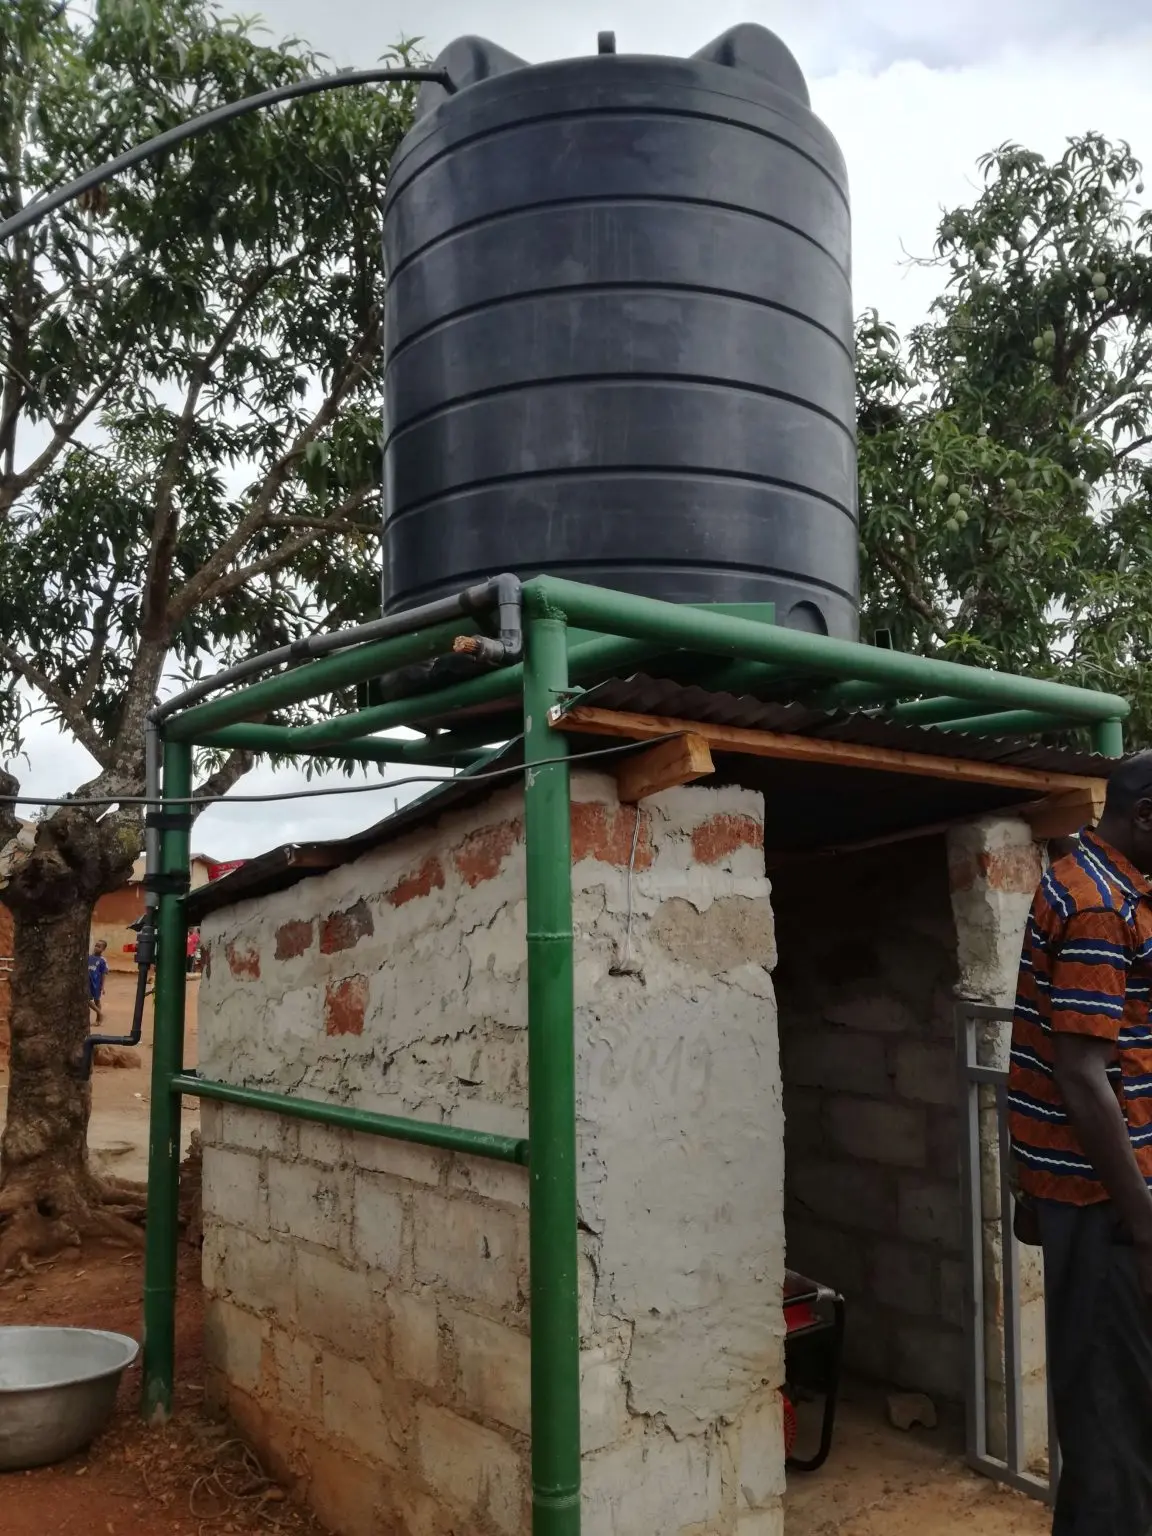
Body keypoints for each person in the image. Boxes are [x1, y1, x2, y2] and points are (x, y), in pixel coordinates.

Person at [1008, 751, 1152, 1534]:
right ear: (1145, 816)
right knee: (1113, 1432)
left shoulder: (1090, 879)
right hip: (1105, 1207)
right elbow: (1080, 1074)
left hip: (1092, 1198)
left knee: (1114, 1418)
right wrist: (1144, 1225)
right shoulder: (1099, 905)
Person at [87, 938, 109, 1024]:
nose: (96, 948)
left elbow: (104, 974)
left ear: (103, 949)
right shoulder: (89, 957)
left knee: (97, 1001)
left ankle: (98, 1019)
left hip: (96, 983)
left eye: (99, 947)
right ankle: (100, 1013)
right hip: (88, 982)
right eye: (96, 946)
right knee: (86, 999)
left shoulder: (102, 960)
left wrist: (102, 986)